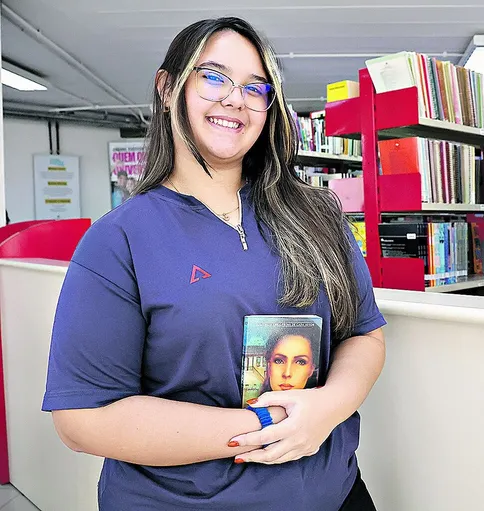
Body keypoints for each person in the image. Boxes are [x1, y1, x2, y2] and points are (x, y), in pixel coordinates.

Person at [42, 16, 386, 511]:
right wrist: (271, 425)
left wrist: (326, 409)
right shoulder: (118, 241)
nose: (234, 99)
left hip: (334, 494)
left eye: (255, 86)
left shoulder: (319, 214)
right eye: (214, 76)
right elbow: (82, 419)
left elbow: (363, 334)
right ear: (168, 88)